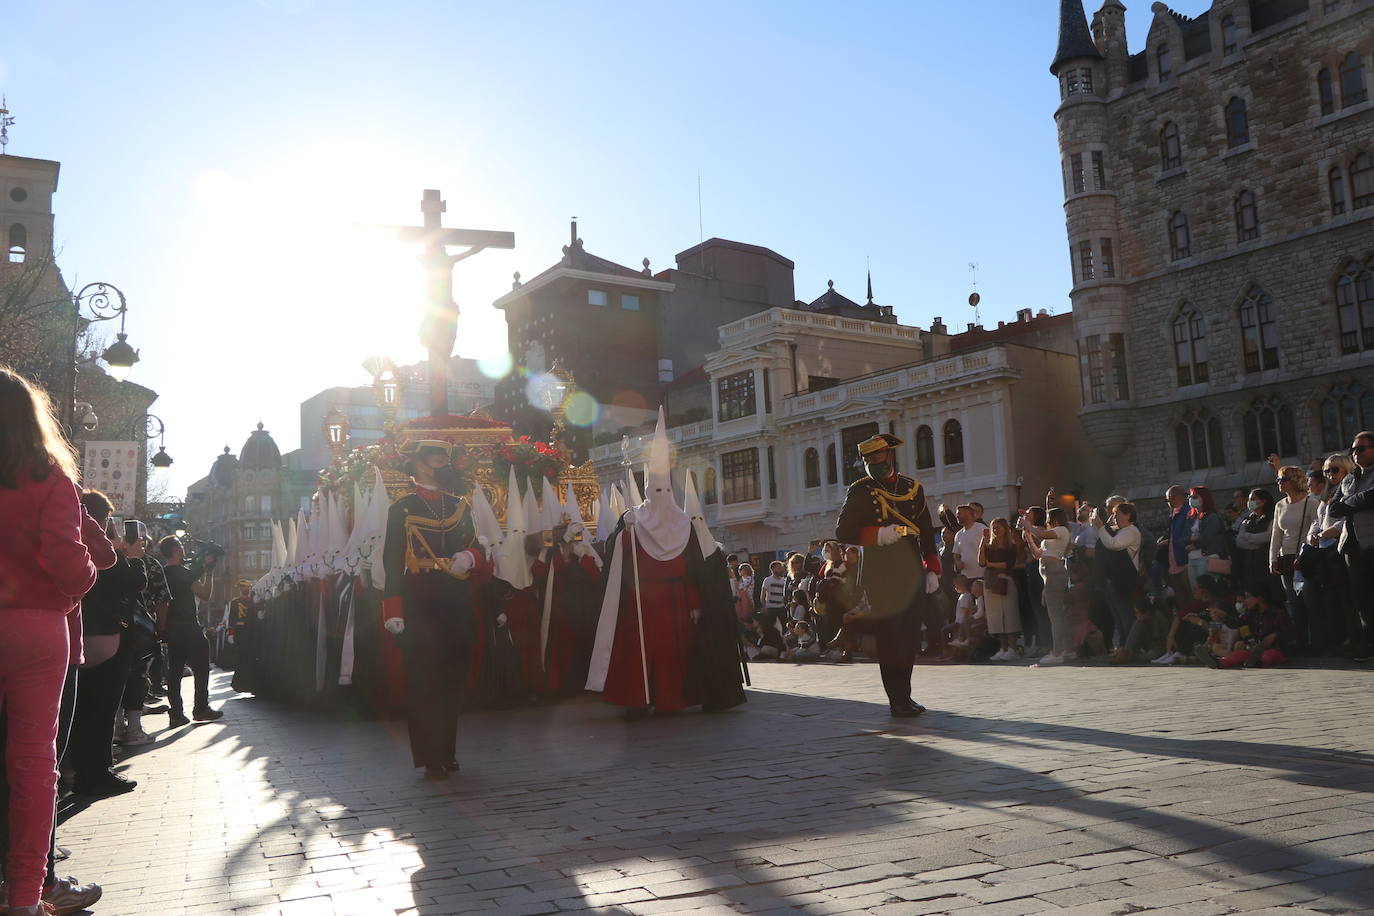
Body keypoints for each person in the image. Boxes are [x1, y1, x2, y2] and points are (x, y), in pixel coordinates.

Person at [0, 366, 102, 916]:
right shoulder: (50, 479)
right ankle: (24, 897)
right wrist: (82, 578)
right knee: (34, 765)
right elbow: (70, 560)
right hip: (38, 627)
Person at [586, 411, 744, 715]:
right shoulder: (634, 521)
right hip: (641, 603)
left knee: (675, 653)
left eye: (666, 490)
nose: (662, 496)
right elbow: (615, 560)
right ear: (647, 491)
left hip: (677, 602)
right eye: (656, 490)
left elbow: (699, 569)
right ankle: (638, 699)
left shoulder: (684, 523)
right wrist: (623, 532)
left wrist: (696, 601)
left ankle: (672, 699)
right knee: (641, 652)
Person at [381, 440, 486, 779]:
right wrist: (393, 611)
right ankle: (429, 756)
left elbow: (477, 544)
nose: (443, 462)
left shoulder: (458, 505)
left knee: (453, 683)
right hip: (419, 599)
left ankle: (448, 750)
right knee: (424, 683)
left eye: (445, 458)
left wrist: (469, 557)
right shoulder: (402, 508)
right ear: (421, 464)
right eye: (436, 457)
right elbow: (391, 560)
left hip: (455, 597)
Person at [834, 433, 940, 717]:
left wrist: (932, 569)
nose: (871, 463)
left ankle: (906, 694)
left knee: (908, 636)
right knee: (891, 637)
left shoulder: (912, 488)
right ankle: (897, 700)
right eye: (867, 458)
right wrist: (877, 534)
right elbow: (842, 531)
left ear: (889, 455)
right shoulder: (860, 489)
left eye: (876, 456)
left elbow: (926, 531)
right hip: (880, 570)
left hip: (911, 569)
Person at [66, 491, 148, 797]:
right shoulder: (100, 550)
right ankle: (96, 774)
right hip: (108, 636)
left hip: (78, 633)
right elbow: (133, 583)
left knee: (80, 708)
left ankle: (75, 769)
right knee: (101, 709)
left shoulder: (70, 544)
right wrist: (135, 559)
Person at [158, 536, 222, 728]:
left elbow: (202, 594)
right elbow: (201, 588)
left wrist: (208, 571)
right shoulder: (179, 573)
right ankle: (201, 708)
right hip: (187, 626)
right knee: (201, 665)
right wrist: (207, 567)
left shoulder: (167, 573)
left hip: (173, 628)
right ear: (176, 550)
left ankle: (177, 713)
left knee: (175, 671)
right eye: (181, 546)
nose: (184, 548)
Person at [1328, 431, 1374, 661]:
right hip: (1352, 546)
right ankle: (1368, 644)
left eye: (1361, 448)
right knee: (1362, 599)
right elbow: (1332, 508)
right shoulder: (1348, 479)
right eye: (1353, 449)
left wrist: (1349, 503)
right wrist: (1351, 503)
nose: (1355, 453)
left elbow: (1371, 496)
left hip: (1372, 542)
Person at [1270, 466, 1320, 653]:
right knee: (1293, 603)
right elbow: (1276, 533)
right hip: (1286, 559)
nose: (1279, 483)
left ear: (1294, 480)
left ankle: (1315, 642)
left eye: (1283, 479)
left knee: (1309, 601)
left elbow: (1315, 528)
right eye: (1278, 480)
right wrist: (1273, 558)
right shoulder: (1280, 505)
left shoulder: (1310, 503)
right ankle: (1300, 641)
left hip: (1304, 558)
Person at [1308, 455, 1354, 654]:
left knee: (1347, 598)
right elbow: (1318, 520)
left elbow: (1346, 520)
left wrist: (1326, 533)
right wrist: (1312, 535)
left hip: (1341, 546)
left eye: (1334, 470)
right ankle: (1337, 639)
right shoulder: (1327, 493)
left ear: (1345, 469)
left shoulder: (1348, 489)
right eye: (1327, 471)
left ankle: (1352, 639)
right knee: (1330, 598)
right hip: (1325, 551)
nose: (1330, 474)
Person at [1092, 500, 1142, 659]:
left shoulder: (1131, 531)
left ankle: (1129, 649)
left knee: (1125, 614)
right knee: (1118, 617)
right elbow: (1101, 539)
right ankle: (1122, 647)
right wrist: (1100, 526)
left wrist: (1101, 527)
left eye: (1117, 513)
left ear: (1128, 515)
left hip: (1124, 579)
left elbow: (1113, 544)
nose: (1113, 517)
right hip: (1113, 579)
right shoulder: (1118, 530)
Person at [1024, 506, 1073, 664]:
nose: (1046, 521)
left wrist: (1028, 525)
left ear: (1054, 519)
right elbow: (1038, 554)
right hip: (1048, 576)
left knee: (1055, 615)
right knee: (1058, 614)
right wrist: (1029, 537)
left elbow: (1042, 533)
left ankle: (1057, 652)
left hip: (1055, 573)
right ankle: (1068, 649)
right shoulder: (1051, 537)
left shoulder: (1062, 530)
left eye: (1048, 518)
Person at [978, 519, 1021, 661]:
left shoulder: (1011, 546)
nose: (996, 530)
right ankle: (1003, 648)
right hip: (991, 581)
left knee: (1009, 615)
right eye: (994, 528)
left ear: (1005, 529)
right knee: (995, 616)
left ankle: (1012, 648)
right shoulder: (989, 546)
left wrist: (991, 564)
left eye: (999, 528)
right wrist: (982, 543)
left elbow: (1008, 564)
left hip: (1006, 580)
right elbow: (981, 562)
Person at [1234, 489, 1278, 604]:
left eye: (1253, 499)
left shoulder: (1272, 518)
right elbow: (1239, 541)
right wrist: (1254, 542)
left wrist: (1248, 537)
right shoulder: (1247, 520)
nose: (1249, 502)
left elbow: (1267, 537)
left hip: (1265, 565)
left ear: (1263, 501)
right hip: (1250, 566)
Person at [1184, 486, 1228, 588]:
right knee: (1195, 590)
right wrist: (1191, 539)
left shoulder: (1212, 517)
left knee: (1207, 589)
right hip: (1192, 559)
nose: (1191, 499)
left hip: (1207, 558)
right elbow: (1183, 536)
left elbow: (1207, 537)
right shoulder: (1190, 518)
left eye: (1195, 497)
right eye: (1190, 497)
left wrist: (1194, 544)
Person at [951, 505, 987, 582]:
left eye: (959, 513)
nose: (957, 516)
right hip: (966, 577)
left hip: (983, 575)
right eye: (957, 514)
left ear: (969, 514)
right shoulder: (958, 535)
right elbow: (956, 554)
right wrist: (958, 562)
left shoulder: (981, 528)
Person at [759, 561, 790, 631]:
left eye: (781, 568)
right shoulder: (767, 580)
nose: (781, 570)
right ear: (773, 569)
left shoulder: (784, 580)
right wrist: (764, 607)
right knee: (771, 627)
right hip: (770, 608)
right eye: (779, 568)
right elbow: (763, 595)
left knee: (784, 627)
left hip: (782, 607)